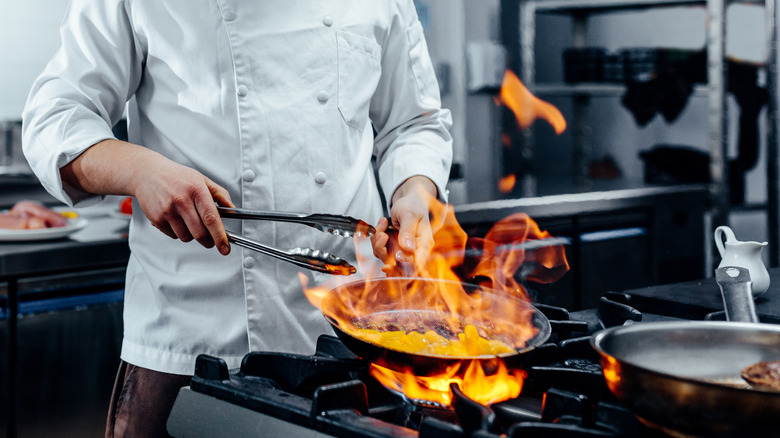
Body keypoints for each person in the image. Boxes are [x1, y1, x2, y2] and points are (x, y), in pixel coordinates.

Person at [21, 1, 452, 437]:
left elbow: (414, 124)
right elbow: (55, 118)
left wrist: (414, 192)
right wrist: (141, 170)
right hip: (186, 349)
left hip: (352, 341)